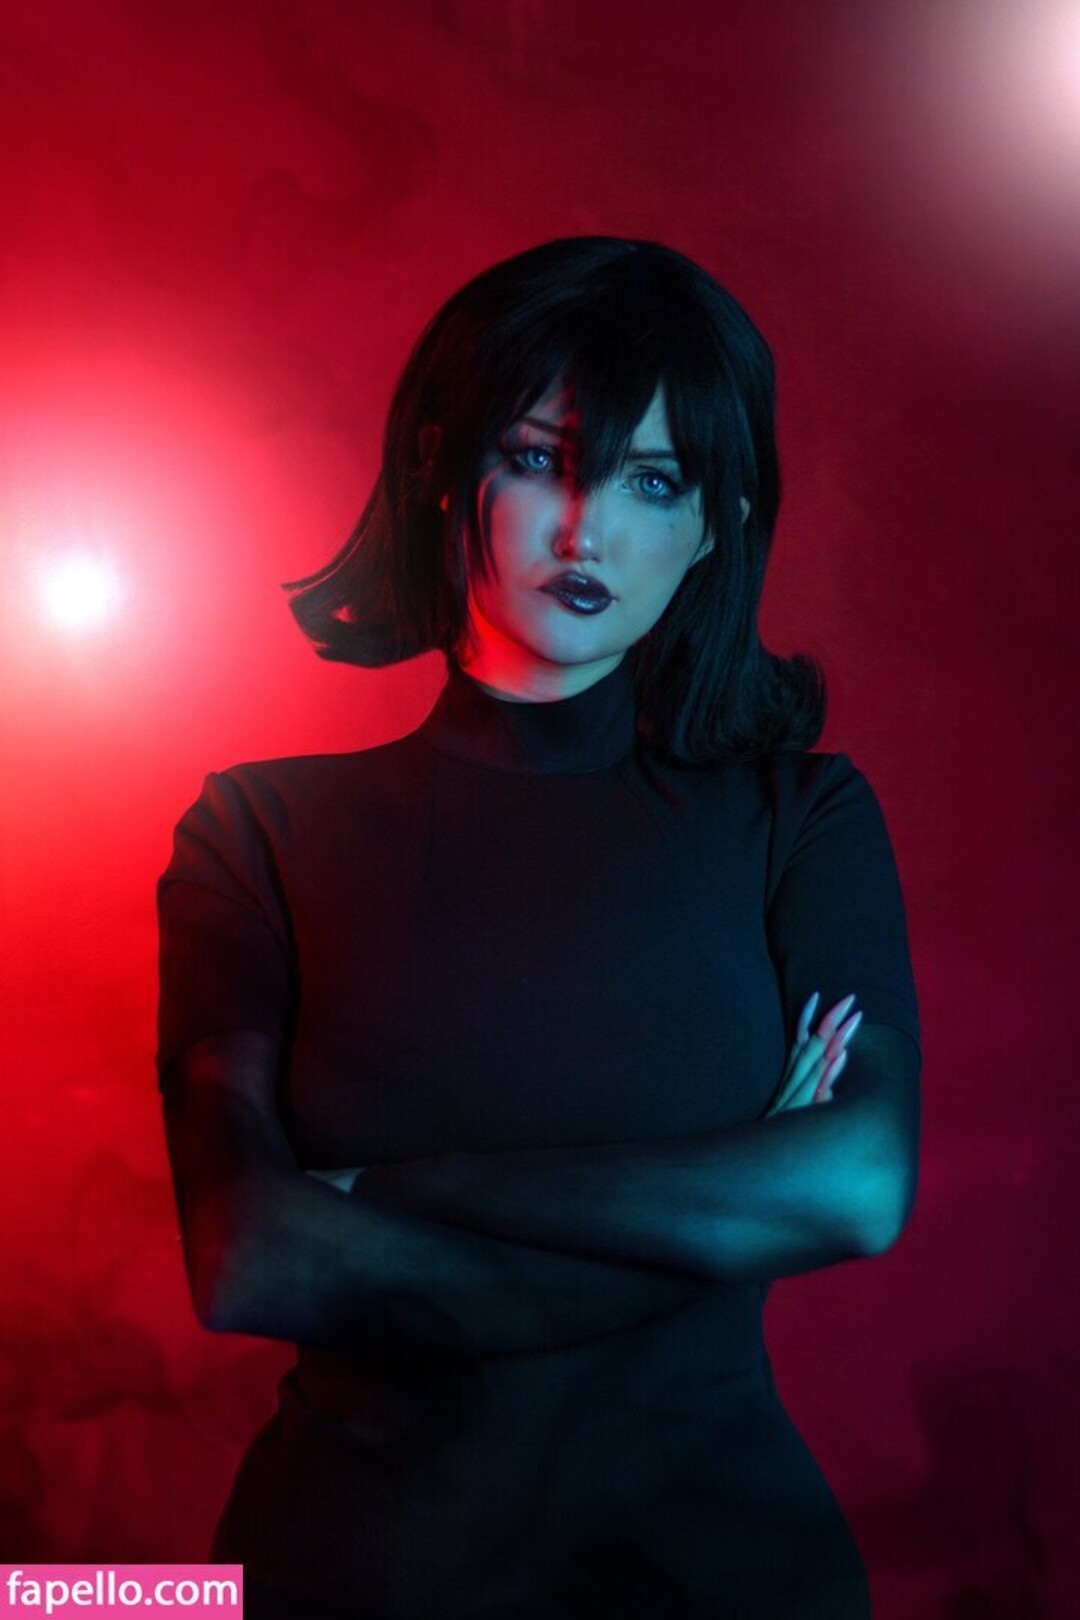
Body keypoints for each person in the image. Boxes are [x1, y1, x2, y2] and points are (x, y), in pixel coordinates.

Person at [157, 236, 921, 1619]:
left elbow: (855, 1187)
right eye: (538, 458)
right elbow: (252, 1256)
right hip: (348, 1578)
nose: (587, 530)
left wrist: (393, 1190)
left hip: (726, 1581)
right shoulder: (258, 831)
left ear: (716, 524)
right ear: (446, 466)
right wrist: (720, 1217)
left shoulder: (800, 818)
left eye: (653, 482)